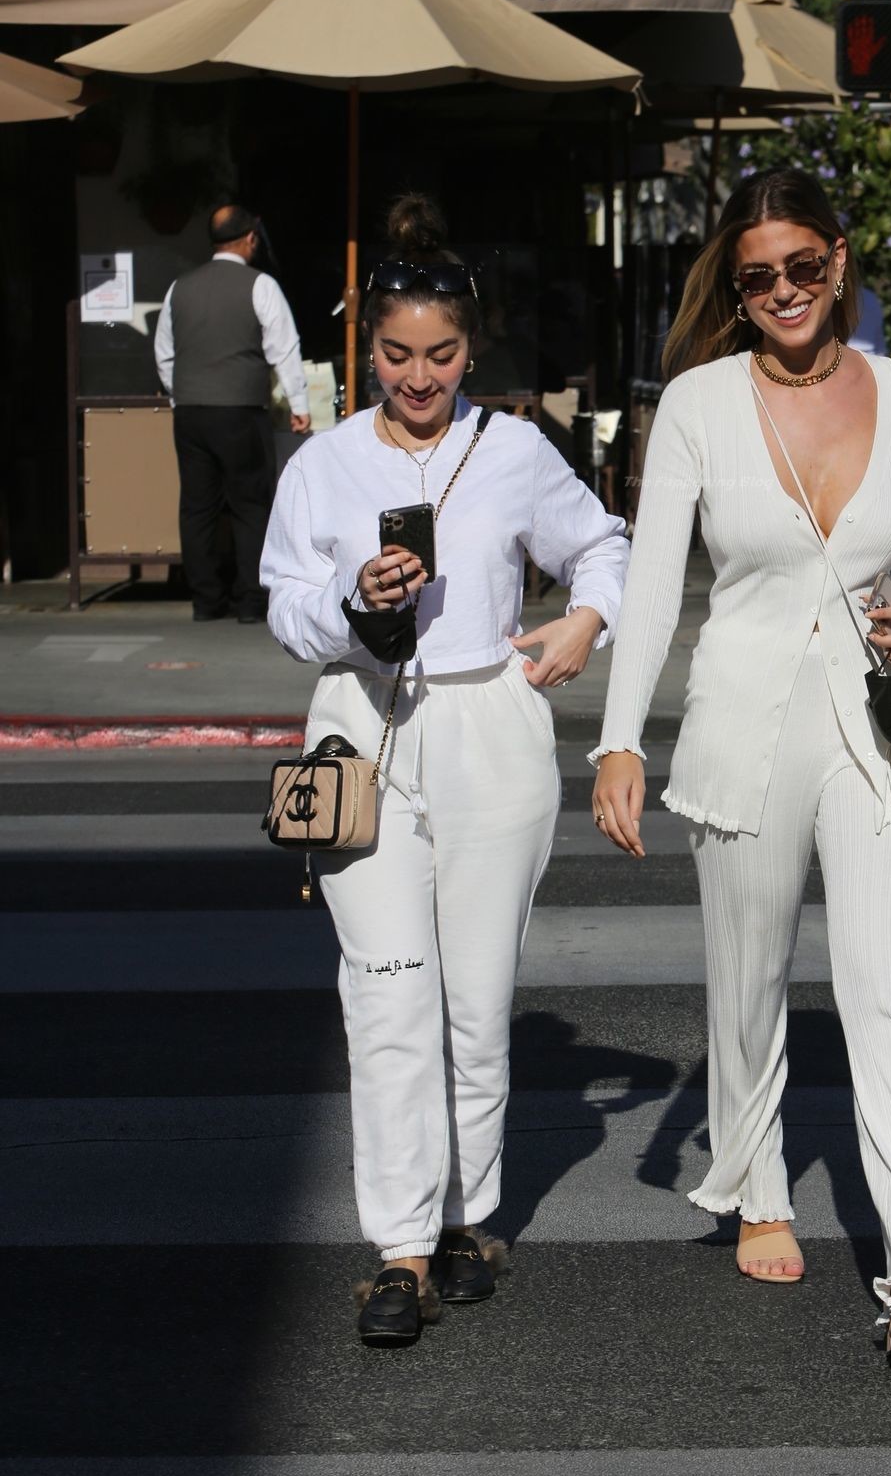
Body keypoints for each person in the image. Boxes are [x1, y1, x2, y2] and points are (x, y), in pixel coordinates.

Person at [590, 167, 891, 1360]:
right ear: (734, 285)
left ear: (836, 260)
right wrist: (619, 739)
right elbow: (652, 586)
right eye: (756, 275)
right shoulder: (698, 403)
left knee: (888, 991)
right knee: (748, 978)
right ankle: (756, 1183)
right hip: (742, 721)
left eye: (801, 267)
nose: (781, 291)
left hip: (875, 730)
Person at [260, 193, 629, 1344]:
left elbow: (603, 545)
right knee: (384, 995)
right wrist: (346, 599)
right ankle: (401, 1248)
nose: (416, 378)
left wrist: (584, 622)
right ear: (363, 349)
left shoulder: (511, 450)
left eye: (439, 355)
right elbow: (281, 604)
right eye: (394, 354)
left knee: (473, 1001)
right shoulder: (321, 464)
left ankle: (469, 1215)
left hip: (489, 722)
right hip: (358, 724)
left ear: (472, 349)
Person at [155, 205, 311, 623]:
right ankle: (250, 601)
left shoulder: (179, 288)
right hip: (241, 410)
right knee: (250, 505)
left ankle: (205, 601)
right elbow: (284, 348)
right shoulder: (260, 285)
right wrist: (299, 405)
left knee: (197, 506)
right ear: (250, 239)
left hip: (190, 413)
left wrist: (179, 395)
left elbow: (164, 354)